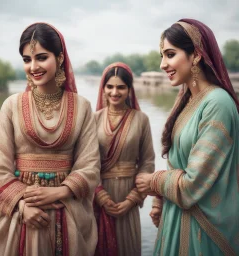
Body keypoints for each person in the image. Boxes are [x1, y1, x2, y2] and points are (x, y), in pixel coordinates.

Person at [0, 22, 100, 256]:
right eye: (27, 60)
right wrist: (20, 206)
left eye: (41, 57)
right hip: (24, 216)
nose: (33, 67)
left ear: (59, 58)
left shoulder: (82, 107)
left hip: (68, 210)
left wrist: (60, 192)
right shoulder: (11, 106)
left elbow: (90, 166)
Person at [136, 18, 239, 255]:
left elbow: (194, 183)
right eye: (162, 55)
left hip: (203, 228)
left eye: (170, 54)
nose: (163, 64)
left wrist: (153, 182)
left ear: (196, 55)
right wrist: (159, 200)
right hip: (177, 215)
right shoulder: (188, 101)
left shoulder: (217, 104)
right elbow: (176, 160)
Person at [94, 62, 155, 256]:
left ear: (129, 89)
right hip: (99, 194)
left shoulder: (141, 119)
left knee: (127, 247)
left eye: (121, 87)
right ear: (103, 89)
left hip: (129, 193)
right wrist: (101, 196)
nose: (114, 92)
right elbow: (86, 162)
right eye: (110, 86)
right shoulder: (93, 119)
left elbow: (147, 162)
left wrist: (133, 199)